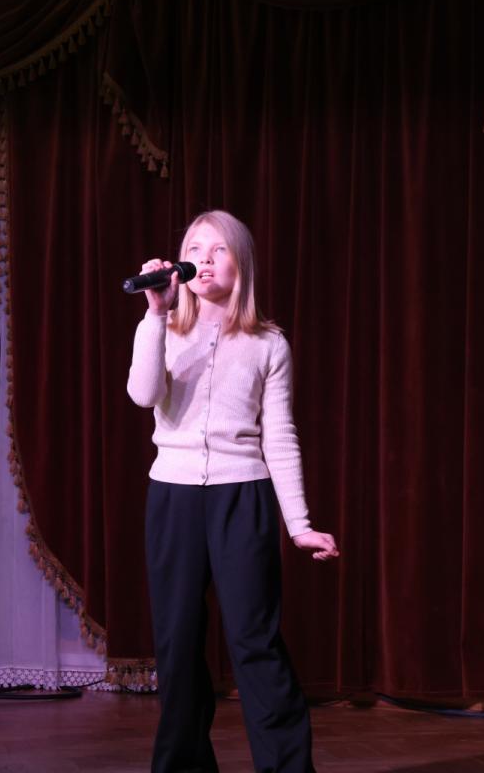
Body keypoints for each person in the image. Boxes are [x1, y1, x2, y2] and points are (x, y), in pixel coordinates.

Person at [127, 209, 338, 773]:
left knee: (254, 640)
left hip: (242, 495)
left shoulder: (268, 344)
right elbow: (143, 395)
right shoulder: (163, 329)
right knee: (177, 644)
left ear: (239, 262)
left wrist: (299, 524)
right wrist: (156, 314)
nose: (204, 258)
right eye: (194, 248)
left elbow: (280, 437)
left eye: (217, 249)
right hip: (173, 498)